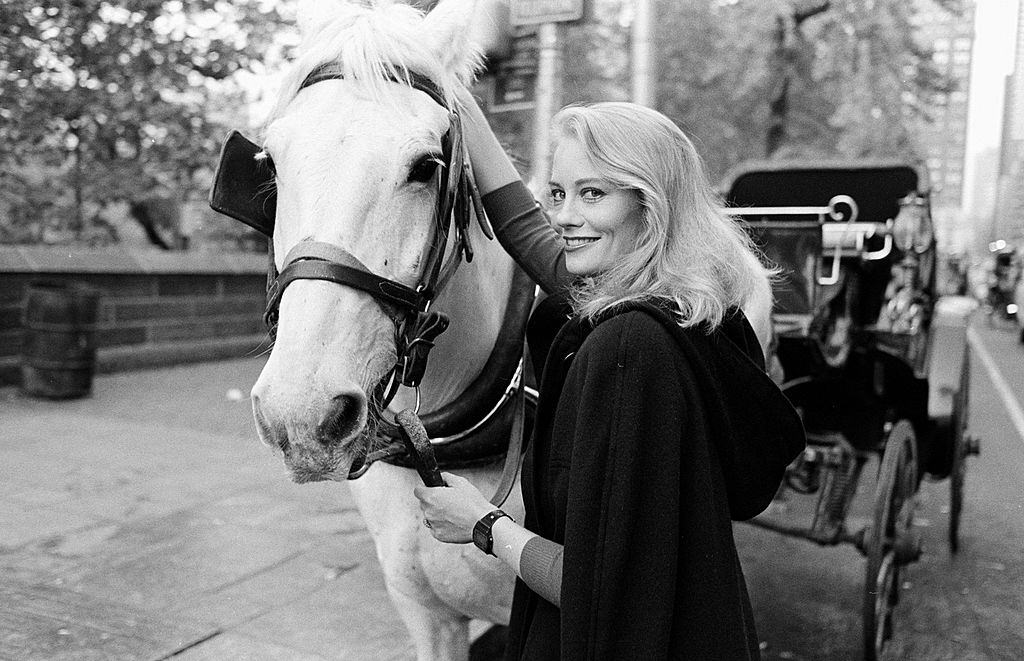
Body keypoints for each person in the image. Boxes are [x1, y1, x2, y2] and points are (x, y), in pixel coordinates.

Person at [413, 95, 806, 660]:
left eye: (593, 193)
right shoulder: (686, 320)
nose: (564, 216)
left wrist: (482, 524)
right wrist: (460, 106)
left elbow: (597, 592)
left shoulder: (627, 350)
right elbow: (533, 235)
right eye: (557, 193)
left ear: (651, 206)